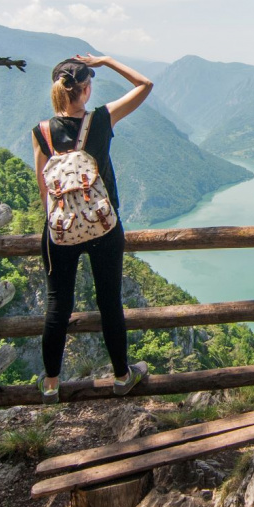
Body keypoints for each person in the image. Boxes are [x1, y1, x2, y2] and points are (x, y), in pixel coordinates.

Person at [32, 54, 153, 403]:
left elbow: (44, 188)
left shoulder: (41, 132)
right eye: (90, 85)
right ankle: (121, 376)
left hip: (59, 231)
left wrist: (61, 225)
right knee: (109, 303)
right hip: (103, 226)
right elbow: (145, 85)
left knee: (58, 305)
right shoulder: (100, 119)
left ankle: (51, 385)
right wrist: (108, 60)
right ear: (85, 90)